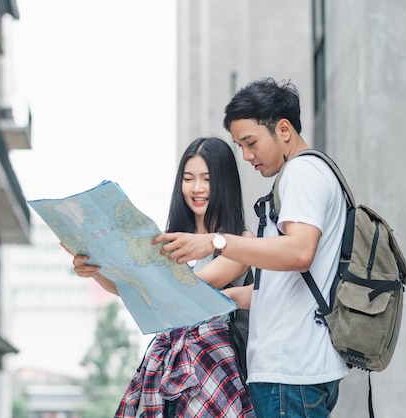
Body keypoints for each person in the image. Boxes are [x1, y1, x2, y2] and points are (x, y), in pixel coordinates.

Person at [152, 78, 350, 418]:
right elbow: (293, 282)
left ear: (283, 129)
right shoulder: (305, 174)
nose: (246, 156)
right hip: (290, 373)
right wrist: (233, 298)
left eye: (251, 142)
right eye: (240, 145)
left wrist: (217, 242)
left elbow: (300, 253)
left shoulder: (302, 172)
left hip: (290, 373)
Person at [66, 136, 255, 417]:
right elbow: (134, 289)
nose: (197, 188)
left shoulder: (240, 241)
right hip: (166, 365)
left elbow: (190, 288)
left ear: (224, 183)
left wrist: (140, 270)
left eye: (207, 179)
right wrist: (94, 269)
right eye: (189, 178)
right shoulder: (169, 243)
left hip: (212, 366)